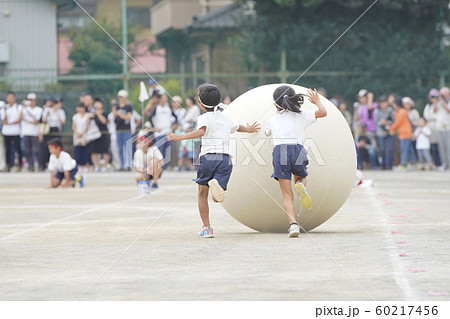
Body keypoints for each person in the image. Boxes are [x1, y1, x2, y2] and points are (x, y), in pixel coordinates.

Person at [167, 84, 260, 238]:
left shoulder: (203, 117)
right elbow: (237, 128)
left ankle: (207, 228)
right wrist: (249, 129)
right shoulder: (225, 117)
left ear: (201, 105)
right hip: (225, 159)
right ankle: (217, 190)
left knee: (201, 194)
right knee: (216, 197)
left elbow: (201, 131)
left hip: (208, 158)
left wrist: (179, 137)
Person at [265, 87, 327, 237]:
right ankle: (300, 184)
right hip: (297, 150)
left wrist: (277, 112)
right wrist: (317, 101)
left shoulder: (272, 120)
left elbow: (267, 133)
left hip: (280, 152)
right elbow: (323, 113)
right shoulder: (301, 115)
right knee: (301, 177)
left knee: (287, 194)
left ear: (275, 104)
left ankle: (293, 225)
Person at [148, 93, 177, 169]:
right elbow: (150, 117)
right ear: (160, 99)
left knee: (168, 149)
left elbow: (175, 116)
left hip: (168, 131)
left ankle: (166, 166)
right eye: (164, 98)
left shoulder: (168, 107)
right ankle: (160, 166)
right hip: (159, 132)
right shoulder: (156, 108)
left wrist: (174, 125)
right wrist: (153, 128)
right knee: (160, 149)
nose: (165, 99)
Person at [40, 97, 66, 170]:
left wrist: (57, 114)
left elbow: (63, 121)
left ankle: (57, 164)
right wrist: (48, 113)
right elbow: (44, 120)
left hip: (56, 129)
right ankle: (45, 163)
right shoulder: (48, 110)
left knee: (56, 146)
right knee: (46, 147)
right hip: (48, 129)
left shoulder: (60, 111)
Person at [1, 91, 23, 172]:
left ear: (14, 98)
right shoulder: (4, 108)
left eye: (11, 97)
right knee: (7, 149)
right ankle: (8, 164)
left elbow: (20, 119)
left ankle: (19, 164)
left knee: (18, 148)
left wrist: (11, 123)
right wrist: (5, 110)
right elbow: (4, 120)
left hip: (16, 131)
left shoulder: (18, 107)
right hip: (6, 132)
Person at [390, 98, 415, 170]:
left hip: (405, 133)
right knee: (410, 149)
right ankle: (414, 163)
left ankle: (403, 163)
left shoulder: (402, 112)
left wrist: (391, 128)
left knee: (404, 149)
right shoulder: (398, 112)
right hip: (403, 133)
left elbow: (398, 122)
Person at [21, 93, 42, 171]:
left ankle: (40, 165)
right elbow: (21, 118)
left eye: (32, 100)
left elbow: (36, 121)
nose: (31, 102)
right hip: (25, 132)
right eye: (29, 100)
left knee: (36, 150)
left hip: (35, 132)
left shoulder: (38, 109)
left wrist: (28, 121)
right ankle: (31, 165)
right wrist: (23, 107)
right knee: (27, 150)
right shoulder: (24, 109)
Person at [113, 90, 133, 170]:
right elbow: (114, 115)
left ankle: (128, 165)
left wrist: (119, 114)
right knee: (120, 149)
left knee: (128, 148)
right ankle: (121, 165)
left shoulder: (128, 107)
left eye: (122, 97)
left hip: (126, 130)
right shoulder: (117, 106)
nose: (120, 99)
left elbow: (128, 117)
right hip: (118, 130)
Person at [374, 95, 395, 169]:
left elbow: (394, 121)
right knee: (382, 149)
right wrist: (381, 123)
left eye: (384, 102)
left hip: (390, 131)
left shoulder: (391, 110)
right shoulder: (377, 111)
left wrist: (387, 123)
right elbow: (376, 122)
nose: (383, 104)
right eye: (381, 103)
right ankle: (383, 165)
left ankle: (390, 165)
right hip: (380, 132)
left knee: (390, 149)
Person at [423, 89, 442, 167]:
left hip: (438, 126)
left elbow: (437, 114)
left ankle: (441, 162)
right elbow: (426, 116)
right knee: (433, 146)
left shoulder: (440, 105)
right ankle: (436, 162)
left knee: (439, 146)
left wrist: (435, 104)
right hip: (430, 126)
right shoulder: (428, 106)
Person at [90, 99, 110, 172]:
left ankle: (105, 166)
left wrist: (98, 114)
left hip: (103, 134)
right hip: (93, 134)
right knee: (94, 151)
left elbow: (104, 121)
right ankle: (96, 166)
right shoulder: (92, 113)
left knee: (105, 150)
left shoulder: (105, 113)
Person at [72, 102, 91, 172]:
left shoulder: (87, 116)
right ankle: (79, 165)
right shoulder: (76, 116)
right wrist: (78, 133)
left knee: (85, 150)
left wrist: (82, 133)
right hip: (77, 135)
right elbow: (73, 127)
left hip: (85, 135)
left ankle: (87, 165)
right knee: (78, 151)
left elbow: (87, 126)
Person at [436, 87, 450, 170]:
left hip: (448, 128)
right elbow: (435, 110)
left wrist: (442, 101)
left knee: (448, 147)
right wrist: (437, 101)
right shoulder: (439, 102)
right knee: (441, 148)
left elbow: (448, 110)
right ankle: (444, 164)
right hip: (440, 128)